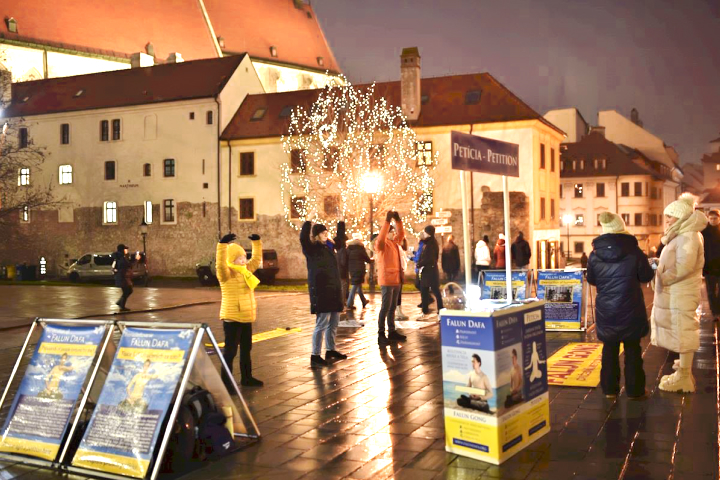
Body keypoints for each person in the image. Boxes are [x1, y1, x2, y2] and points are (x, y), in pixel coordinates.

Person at [586, 212, 655, 398]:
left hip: (607, 309)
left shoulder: (594, 254)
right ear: (621, 227)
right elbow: (646, 276)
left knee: (609, 349)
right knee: (633, 350)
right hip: (631, 307)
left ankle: (610, 390)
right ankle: (635, 391)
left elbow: (591, 279)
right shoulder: (634, 251)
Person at [651, 195, 707, 393]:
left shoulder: (688, 236)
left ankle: (684, 377)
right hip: (677, 292)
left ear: (682, 217)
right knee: (680, 329)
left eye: (671, 216)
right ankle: (683, 369)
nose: (667, 220)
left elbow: (684, 266)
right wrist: (658, 265)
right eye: (666, 216)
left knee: (683, 330)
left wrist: (663, 278)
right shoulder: (682, 234)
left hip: (680, 292)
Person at [216, 232, 264, 387]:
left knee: (246, 349)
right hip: (232, 318)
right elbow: (220, 264)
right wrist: (222, 245)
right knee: (230, 352)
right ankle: (226, 383)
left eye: (244, 257)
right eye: (239, 258)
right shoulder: (226, 274)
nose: (244, 260)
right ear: (231, 260)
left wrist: (256, 243)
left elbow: (256, 260)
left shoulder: (246, 271)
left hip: (246, 316)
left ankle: (247, 378)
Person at [300, 221, 347, 366]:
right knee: (321, 324)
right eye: (322, 232)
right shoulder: (312, 249)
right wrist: (307, 223)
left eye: (326, 232)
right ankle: (315, 355)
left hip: (334, 290)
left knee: (333, 322)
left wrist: (341, 223)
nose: (326, 234)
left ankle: (330, 350)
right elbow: (303, 238)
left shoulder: (329, 246)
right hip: (321, 291)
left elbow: (340, 241)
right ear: (316, 235)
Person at [375, 211, 407, 345]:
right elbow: (381, 237)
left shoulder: (395, 243)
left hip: (396, 279)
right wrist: (387, 221)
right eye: (391, 232)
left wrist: (398, 221)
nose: (394, 234)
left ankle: (392, 331)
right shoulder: (381, 244)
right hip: (387, 280)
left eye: (393, 232)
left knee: (393, 307)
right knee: (385, 307)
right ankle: (381, 334)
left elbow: (401, 234)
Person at [418, 225, 444, 315]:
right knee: (424, 290)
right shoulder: (427, 243)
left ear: (428, 233)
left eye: (425, 232)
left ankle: (440, 309)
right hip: (426, 271)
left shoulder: (432, 244)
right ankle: (425, 310)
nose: (424, 233)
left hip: (431, 271)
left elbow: (429, 258)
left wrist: (420, 263)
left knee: (435, 290)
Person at [702, 208, 720, 322]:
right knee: (711, 291)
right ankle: (715, 312)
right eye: (711, 218)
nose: (713, 220)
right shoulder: (704, 232)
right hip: (709, 267)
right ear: (708, 219)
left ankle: (718, 310)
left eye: (715, 218)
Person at [346, 232, 371, 309]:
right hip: (359, 269)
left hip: (352, 269)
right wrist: (371, 260)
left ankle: (363, 301)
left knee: (358, 285)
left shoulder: (349, 248)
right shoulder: (360, 248)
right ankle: (349, 303)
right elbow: (366, 258)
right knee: (355, 285)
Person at [113, 244, 141, 312]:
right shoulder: (121, 258)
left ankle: (120, 303)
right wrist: (136, 259)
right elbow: (128, 265)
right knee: (127, 291)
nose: (126, 250)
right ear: (122, 250)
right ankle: (121, 306)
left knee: (128, 290)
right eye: (125, 249)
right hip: (123, 277)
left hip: (124, 277)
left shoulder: (121, 257)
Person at [335, 231, 350, 311]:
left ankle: (343, 303)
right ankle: (342, 304)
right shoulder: (343, 250)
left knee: (343, 287)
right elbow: (343, 262)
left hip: (339, 271)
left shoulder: (338, 250)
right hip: (343, 272)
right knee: (343, 287)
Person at [395, 238, 409, 320]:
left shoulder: (401, 249)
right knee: (396, 294)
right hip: (397, 272)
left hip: (401, 272)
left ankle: (399, 311)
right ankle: (396, 313)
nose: (401, 242)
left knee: (398, 293)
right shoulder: (397, 248)